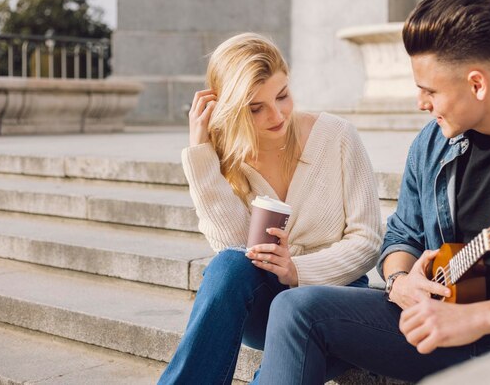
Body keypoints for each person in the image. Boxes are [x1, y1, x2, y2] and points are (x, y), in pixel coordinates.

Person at [255, 0, 490, 384]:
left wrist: (477, 318)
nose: (420, 103)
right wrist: (401, 281)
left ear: (477, 84)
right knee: (296, 309)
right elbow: (401, 237)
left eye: (429, 90)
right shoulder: (433, 144)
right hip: (443, 323)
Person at [158, 33, 383, 384]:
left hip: (335, 300)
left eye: (282, 96)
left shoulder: (337, 136)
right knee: (228, 265)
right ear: (230, 109)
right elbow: (234, 249)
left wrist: (298, 271)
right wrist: (201, 156)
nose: (276, 115)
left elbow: (367, 240)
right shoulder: (228, 157)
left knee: (304, 326)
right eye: (255, 108)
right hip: (265, 306)